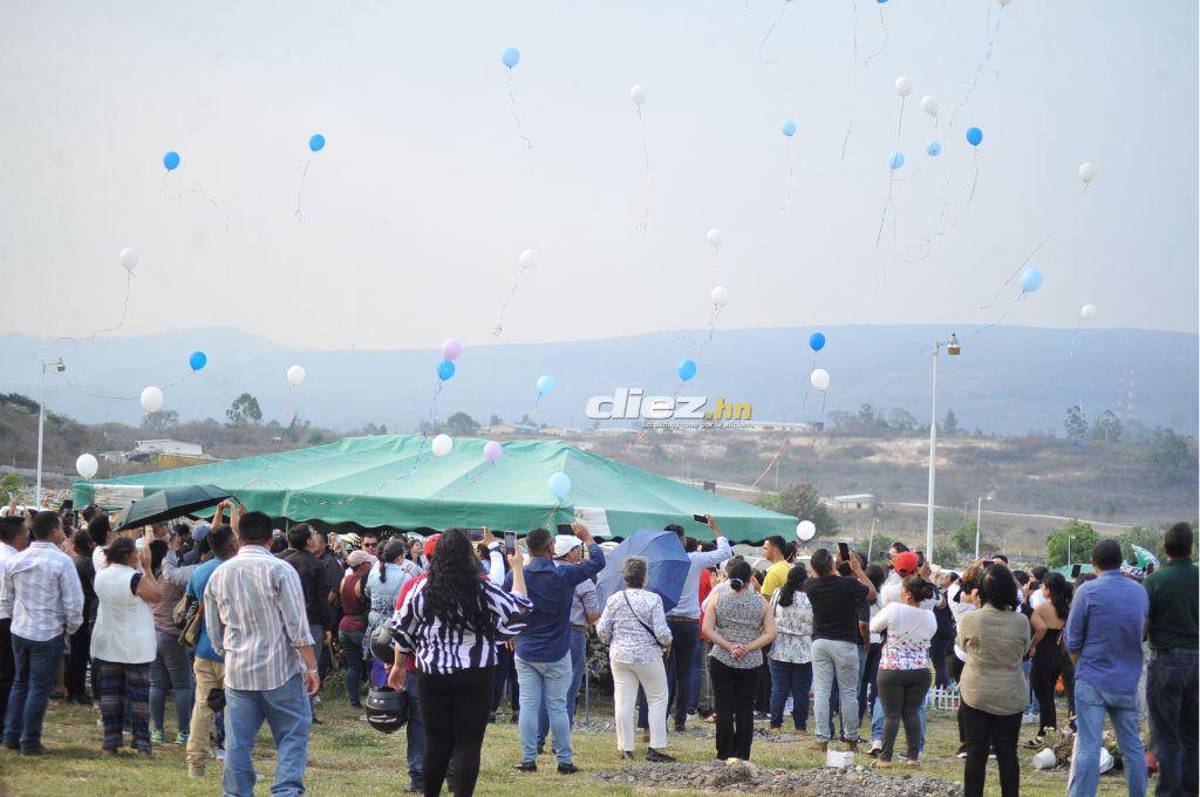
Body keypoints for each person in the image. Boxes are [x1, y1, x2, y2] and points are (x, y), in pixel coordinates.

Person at [389, 528, 531, 797]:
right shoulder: (482, 588)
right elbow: (517, 612)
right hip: (476, 672)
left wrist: (398, 665)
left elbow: (402, 629)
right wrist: (517, 569)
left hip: (432, 672)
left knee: (436, 742)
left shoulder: (421, 588)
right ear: (469, 556)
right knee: (469, 743)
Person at [205, 510, 321, 797]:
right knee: (293, 735)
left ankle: (236, 793)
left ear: (238, 538)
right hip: (280, 671)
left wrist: (228, 652)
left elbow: (214, 631)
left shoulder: (219, 574)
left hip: (238, 672)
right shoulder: (281, 570)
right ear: (271, 539)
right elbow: (297, 626)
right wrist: (311, 667)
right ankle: (285, 791)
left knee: (237, 743)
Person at [508, 524, 604, 774]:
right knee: (558, 705)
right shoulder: (564, 575)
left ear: (528, 549)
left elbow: (506, 604)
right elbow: (598, 562)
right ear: (551, 547)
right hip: (557, 649)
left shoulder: (519, 575)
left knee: (529, 705)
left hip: (527, 648)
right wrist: (587, 538)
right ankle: (564, 760)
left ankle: (529, 758)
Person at [1064, 539, 1149, 797]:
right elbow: (1142, 631)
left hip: (1092, 677)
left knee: (1089, 747)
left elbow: (1072, 640)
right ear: (1120, 561)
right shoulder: (1139, 592)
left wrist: (1081, 666)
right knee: (1132, 747)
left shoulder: (1087, 591)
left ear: (1093, 562)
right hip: (1126, 680)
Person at [0, 510, 82, 755]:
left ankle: (11, 735)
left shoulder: (17, 559)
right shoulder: (62, 562)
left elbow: (6, 598)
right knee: (38, 687)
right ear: (55, 532)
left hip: (20, 629)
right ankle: (30, 740)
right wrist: (70, 628)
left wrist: (16, 618)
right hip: (48, 632)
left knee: (20, 683)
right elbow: (74, 602)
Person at [642, 516, 732, 735]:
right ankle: (680, 720)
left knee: (663, 673)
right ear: (682, 541)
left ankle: (659, 718)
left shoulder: (659, 562)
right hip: (690, 624)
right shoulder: (693, 559)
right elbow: (724, 553)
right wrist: (716, 530)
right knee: (686, 673)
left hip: (666, 622)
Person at [957, 563, 1031, 797]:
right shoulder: (1021, 621)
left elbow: (962, 647)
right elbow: (1024, 651)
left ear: (981, 591)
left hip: (977, 692)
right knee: (1008, 753)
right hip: (1011, 693)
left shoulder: (971, 619)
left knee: (976, 752)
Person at [596, 556, 674, 761]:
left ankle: (625, 747)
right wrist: (668, 641)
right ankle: (656, 747)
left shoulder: (614, 599)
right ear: (645, 577)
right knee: (657, 698)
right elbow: (662, 632)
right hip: (648, 656)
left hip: (620, 655)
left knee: (623, 700)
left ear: (625, 576)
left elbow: (602, 630)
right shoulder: (653, 599)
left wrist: (614, 641)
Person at [91, 535, 162, 755]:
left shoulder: (101, 574)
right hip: (135, 645)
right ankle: (142, 743)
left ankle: (110, 742)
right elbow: (157, 595)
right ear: (127, 555)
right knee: (139, 697)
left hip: (107, 642)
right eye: (135, 553)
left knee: (110, 696)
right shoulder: (134, 577)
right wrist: (148, 568)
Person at [703, 558, 777, 761]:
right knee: (745, 708)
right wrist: (747, 648)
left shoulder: (718, 600)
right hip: (751, 661)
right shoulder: (762, 603)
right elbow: (771, 633)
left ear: (728, 578)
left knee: (723, 706)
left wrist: (729, 646)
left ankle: (724, 752)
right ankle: (743, 753)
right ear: (750, 578)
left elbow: (707, 629)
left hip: (721, 657)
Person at [803, 547, 876, 752]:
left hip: (820, 642)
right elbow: (871, 593)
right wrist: (858, 570)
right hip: (845, 642)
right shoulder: (849, 584)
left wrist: (828, 567)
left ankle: (822, 738)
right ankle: (851, 740)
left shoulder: (810, 586)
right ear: (832, 565)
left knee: (822, 691)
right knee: (849, 693)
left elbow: (816, 574)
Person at [1144, 522, 1198, 797]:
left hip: (1165, 660)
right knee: (1191, 733)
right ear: (1191, 547)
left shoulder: (1155, 581)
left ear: (1165, 547)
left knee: (1166, 733)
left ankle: (1169, 791)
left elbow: (1143, 624)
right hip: (1195, 660)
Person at [537, 533, 601, 748]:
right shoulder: (579, 576)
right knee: (568, 688)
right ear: (570, 552)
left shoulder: (543, 572)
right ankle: (560, 742)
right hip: (573, 632)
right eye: (577, 549)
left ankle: (537, 740)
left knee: (543, 686)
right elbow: (593, 613)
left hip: (545, 631)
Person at [185, 522, 238, 778]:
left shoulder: (199, 572)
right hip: (233, 650)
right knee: (236, 710)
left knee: (202, 707)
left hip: (204, 648)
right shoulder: (237, 571)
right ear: (233, 544)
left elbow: (190, 603)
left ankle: (195, 764)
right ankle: (234, 764)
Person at [869, 575, 936, 768]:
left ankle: (885, 758)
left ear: (907, 594)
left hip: (892, 668)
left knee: (891, 715)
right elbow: (930, 634)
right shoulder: (929, 616)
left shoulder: (893, 609)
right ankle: (913, 757)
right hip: (920, 669)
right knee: (912, 713)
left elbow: (874, 627)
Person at [277, 523, 331, 724]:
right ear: (308, 541)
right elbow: (322, 599)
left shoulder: (283, 563)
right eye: (314, 534)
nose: (317, 537)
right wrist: (327, 627)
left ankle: (289, 709)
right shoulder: (316, 565)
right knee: (310, 666)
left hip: (287, 621)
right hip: (312, 621)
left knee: (289, 666)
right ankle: (306, 711)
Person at [147, 539, 194, 744]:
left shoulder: (150, 576)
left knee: (156, 685)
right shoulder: (176, 580)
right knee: (182, 685)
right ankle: (183, 732)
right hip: (173, 636)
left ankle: (157, 730)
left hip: (153, 634)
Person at [767, 563, 812, 735]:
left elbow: (770, 614)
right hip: (804, 650)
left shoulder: (778, 593)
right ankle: (800, 727)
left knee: (779, 689)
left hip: (779, 647)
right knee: (801, 691)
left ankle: (775, 725)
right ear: (803, 581)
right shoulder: (810, 597)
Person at [1026, 571, 1071, 741]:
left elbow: (1040, 629)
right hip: (1058, 654)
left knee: (1042, 694)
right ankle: (1049, 731)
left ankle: (1044, 734)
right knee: (1048, 695)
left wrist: (1032, 645)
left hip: (1043, 654)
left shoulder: (1042, 608)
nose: (1042, 589)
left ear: (1049, 590)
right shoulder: (1066, 609)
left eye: (1043, 586)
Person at [0, 514, 31, 725]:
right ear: (18, 537)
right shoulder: (14, 561)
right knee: (7, 673)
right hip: (6, 619)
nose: (29, 535)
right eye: (27, 532)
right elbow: (9, 597)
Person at [338, 550, 375, 709]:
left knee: (353, 666)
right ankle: (373, 698)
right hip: (359, 627)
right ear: (363, 565)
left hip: (344, 625)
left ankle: (354, 701)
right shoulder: (362, 582)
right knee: (371, 664)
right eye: (368, 563)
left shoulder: (344, 580)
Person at [66, 530, 96, 705]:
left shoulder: (75, 562)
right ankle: (78, 690)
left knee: (75, 652)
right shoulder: (88, 563)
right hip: (86, 611)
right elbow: (95, 587)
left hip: (76, 611)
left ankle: (72, 689)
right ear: (89, 545)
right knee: (81, 653)